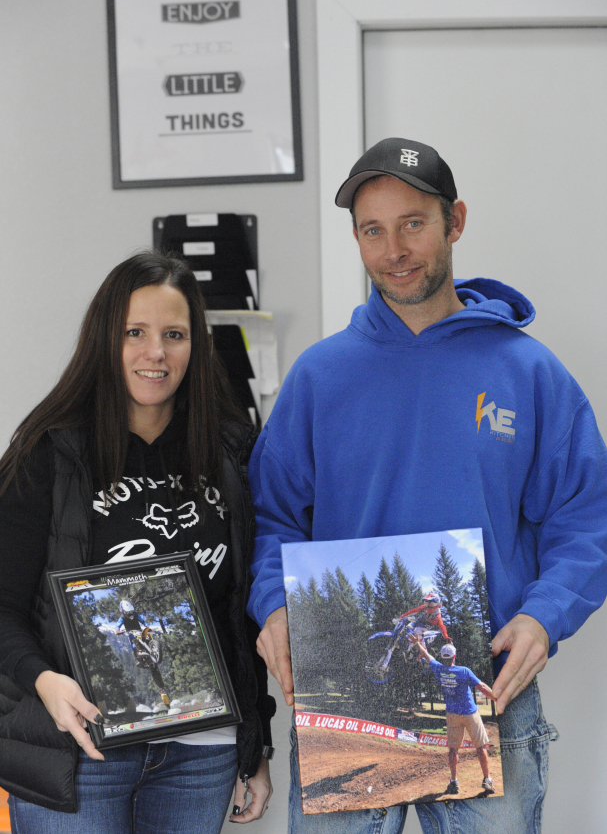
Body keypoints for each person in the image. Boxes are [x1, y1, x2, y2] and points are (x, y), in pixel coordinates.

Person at [246, 137, 607, 833]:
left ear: (455, 221)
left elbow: (585, 518)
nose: (393, 249)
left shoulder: (528, 372)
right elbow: (271, 517)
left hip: (489, 695)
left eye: (412, 222)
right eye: (371, 230)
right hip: (348, 694)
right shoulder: (320, 378)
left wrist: (543, 615)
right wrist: (273, 607)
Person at [0, 251, 275, 833]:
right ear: (105, 340)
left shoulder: (234, 454)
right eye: (135, 333)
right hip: (78, 750)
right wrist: (45, 682)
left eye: (174, 334)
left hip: (201, 754)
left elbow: (242, 618)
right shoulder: (49, 454)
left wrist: (256, 743)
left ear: (195, 346)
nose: (156, 353)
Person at [416, 640, 495, 796]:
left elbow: (427, 655)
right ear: (454, 656)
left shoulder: (439, 669)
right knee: (480, 747)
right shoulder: (464, 671)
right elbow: (483, 687)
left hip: (452, 714)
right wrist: (498, 699)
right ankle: (487, 779)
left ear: (442, 657)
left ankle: (453, 782)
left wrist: (418, 643)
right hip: (470, 713)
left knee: (453, 750)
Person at [115, 599, 170, 706]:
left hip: (140, 631)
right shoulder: (122, 618)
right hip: (131, 633)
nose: (130, 614)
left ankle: (152, 650)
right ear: (123, 611)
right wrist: (117, 630)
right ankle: (139, 658)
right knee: (133, 643)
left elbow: (142, 620)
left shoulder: (135, 614)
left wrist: (145, 624)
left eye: (131, 612)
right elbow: (118, 625)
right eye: (128, 612)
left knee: (148, 637)